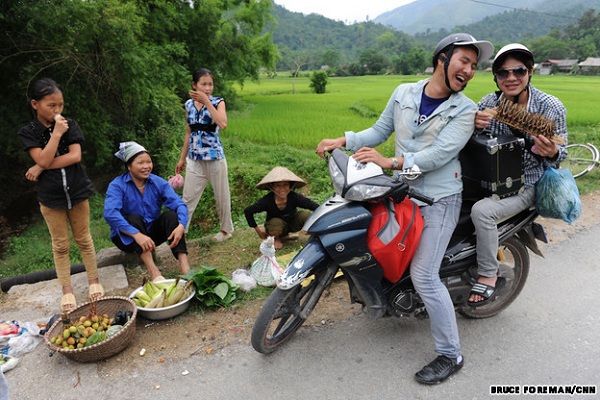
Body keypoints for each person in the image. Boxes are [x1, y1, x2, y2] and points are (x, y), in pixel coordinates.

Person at [317, 33, 494, 384]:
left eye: (474, 65)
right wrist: (344, 140)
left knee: (425, 276)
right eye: (464, 61)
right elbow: (380, 129)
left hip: (441, 198)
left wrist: (390, 161)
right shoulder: (404, 93)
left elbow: (438, 156)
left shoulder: (465, 109)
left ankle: (450, 354)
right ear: (442, 58)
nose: (470, 70)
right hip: (401, 193)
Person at [468, 44, 568, 305]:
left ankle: (489, 274)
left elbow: (562, 153)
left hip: (527, 183)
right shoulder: (488, 103)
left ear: (530, 71)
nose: (511, 78)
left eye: (518, 70)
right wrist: (472, 125)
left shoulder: (549, 106)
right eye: (503, 73)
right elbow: (472, 141)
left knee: (482, 212)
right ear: (496, 77)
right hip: (489, 179)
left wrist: (552, 151)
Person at [18, 78, 104, 313]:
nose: (57, 111)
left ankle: (94, 281)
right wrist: (55, 135)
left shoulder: (70, 124)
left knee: (84, 239)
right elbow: (43, 157)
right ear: (35, 104)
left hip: (77, 191)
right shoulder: (29, 132)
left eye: (60, 105)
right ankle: (67, 291)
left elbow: (75, 156)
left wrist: (40, 167)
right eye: (51, 106)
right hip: (50, 197)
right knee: (60, 245)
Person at [104, 141, 191, 282]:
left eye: (148, 162)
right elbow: (110, 214)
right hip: (128, 237)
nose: (146, 167)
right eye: (140, 163)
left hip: (151, 234)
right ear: (129, 166)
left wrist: (181, 225)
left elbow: (179, 204)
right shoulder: (117, 185)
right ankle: (154, 272)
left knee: (172, 216)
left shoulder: (158, 182)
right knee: (133, 219)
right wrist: (137, 235)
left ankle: (185, 268)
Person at [175, 68, 234, 242]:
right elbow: (188, 132)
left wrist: (207, 102)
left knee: (222, 195)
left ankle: (226, 230)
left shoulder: (218, 102)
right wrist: (181, 158)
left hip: (215, 157)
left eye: (210, 84)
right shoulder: (188, 105)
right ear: (194, 85)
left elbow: (222, 124)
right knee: (187, 198)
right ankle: (181, 232)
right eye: (204, 84)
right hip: (194, 159)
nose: (208, 88)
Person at [244, 167, 319, 249]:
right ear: (272, 187)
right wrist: (259, 232)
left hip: (292, 224)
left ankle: (315, 234)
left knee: (305, 215)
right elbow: (248, 211)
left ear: (290, 186)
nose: (282, 189)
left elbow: (314, 206)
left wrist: (308, 227)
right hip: (275, 228)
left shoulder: (294, 197)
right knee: (276, 222)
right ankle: (276, 238)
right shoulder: (267, 200)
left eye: (285, 185)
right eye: (278, 185)